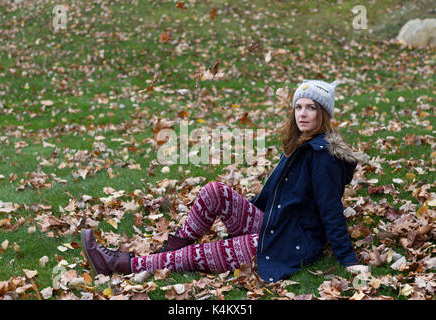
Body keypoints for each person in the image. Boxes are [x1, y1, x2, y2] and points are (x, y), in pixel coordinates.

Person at [81, 79, 370, 283]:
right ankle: (166, 255)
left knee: (197, 256)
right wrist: (245, 216)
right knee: (214, 191)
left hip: (289, 242)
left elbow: (330, 209)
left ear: (324, 114)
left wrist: (349, 260)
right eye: (299, 107)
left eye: (311, 108)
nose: (303, 114)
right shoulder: (301, 144)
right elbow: (276, 196)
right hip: (274, 223)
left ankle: (120, 264)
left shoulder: (323, 157)